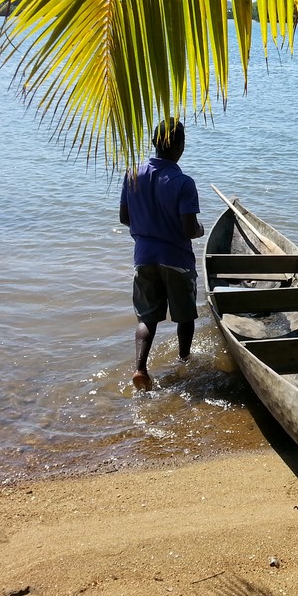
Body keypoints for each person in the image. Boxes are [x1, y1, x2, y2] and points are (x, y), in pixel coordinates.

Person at [119, 118, 204, 391]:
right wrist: (200, 230)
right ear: (180, 146)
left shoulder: (133, 174)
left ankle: (140, 369)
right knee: (185, 317)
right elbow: (189, 229)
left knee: (147, 318)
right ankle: (184, 360)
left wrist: (147, 227)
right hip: (176, 259)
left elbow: (124, 218)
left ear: (155, 143)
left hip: (143, 257)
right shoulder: (183, 183)